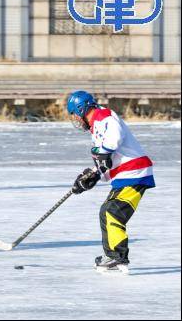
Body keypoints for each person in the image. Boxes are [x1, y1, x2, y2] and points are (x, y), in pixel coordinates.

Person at [67, 90, 155, 274]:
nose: (75, 118)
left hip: (134, 172)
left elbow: (114, 139)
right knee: (107, 212)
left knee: (112, 212)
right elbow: (105, 160)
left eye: (75, 113)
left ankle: (116, 257)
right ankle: (112, 255)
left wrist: (103, 153)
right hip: (125, 175)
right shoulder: (95, 126)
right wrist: (90, 176)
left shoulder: (103, 115)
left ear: (82, 109)